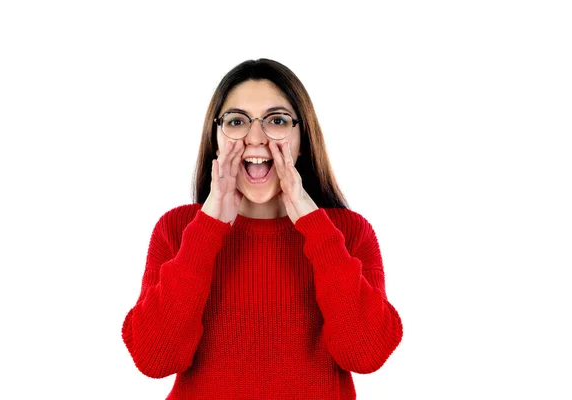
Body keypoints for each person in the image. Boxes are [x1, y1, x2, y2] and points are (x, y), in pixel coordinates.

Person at [121, 58, 403, 399]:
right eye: (237, 121)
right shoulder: (178, 229)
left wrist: (314, 226)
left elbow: (365, 354)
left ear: (303, 139)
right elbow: (155, 359)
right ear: (216, 138)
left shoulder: (349, 232)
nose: (256, 138)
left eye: (277, 120)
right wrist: (208, 228)